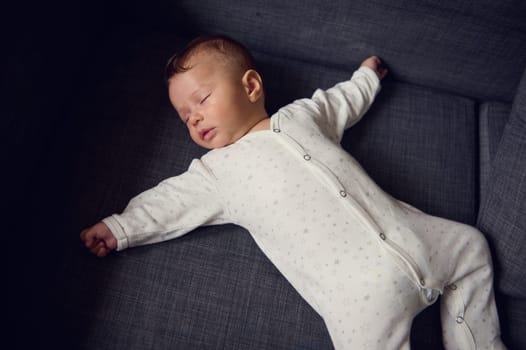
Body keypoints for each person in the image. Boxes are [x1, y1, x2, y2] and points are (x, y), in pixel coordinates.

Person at [80, 35, 505, 349]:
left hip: (416, 238)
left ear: (250, 86)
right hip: (359, 299)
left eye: (202, 100)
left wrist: (366, 78)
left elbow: (341, 101)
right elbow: (168, 202)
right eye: (185, 116)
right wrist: (121, 227)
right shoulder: (216, 173)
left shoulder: (303, 116)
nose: (194, 119)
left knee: (470, 247)